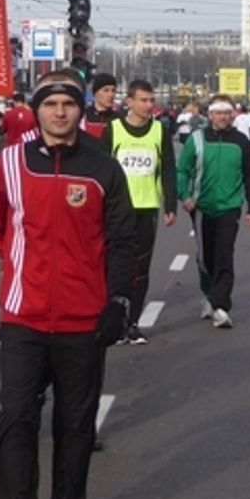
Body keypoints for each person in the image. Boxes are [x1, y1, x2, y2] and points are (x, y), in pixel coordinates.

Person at [0, 71, 135, 499]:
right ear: (35, 111)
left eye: (68, 104)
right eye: (51, 103)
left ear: (81, 111)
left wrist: (118, 301)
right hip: (24, 317)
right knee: (16, 420)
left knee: (75, 426)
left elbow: (122, 241)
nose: (60, 112)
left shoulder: (103, 169)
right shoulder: (10, 164)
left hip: (84, 321)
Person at [102, 78, 177, 345]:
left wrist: (170, 204)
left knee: (140, 268)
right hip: (117, 210)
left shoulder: (159, 130)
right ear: (129, 102)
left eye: (151, 100)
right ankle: (114, 319)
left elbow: (168, 168)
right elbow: (101, 170)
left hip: (147, 207)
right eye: (143, 100)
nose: (149, 105)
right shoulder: (113, 130)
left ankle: (133, 322)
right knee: (114, 265)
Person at [176, 93, 250, 328]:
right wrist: (184, 196)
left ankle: (221, 305)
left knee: (224, 255)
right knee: (205, 257)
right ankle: (209, 294)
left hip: (229, 207)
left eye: (226, 112)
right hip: (202, 206)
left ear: (232, 114)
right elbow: (182, 170)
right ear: (210, 115)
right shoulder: (197, 139)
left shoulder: (241, 141)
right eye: (218, 112)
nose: (223, 117)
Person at [82, 73, 119, 140]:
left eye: (113, 90)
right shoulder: (83, 117)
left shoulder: (119, 118)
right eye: (106, 90)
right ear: (95, 93)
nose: (111, 95)